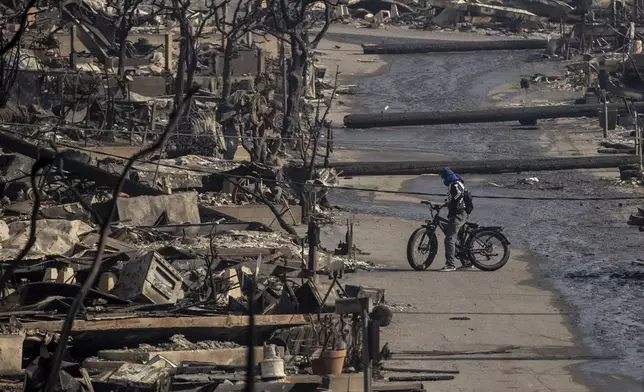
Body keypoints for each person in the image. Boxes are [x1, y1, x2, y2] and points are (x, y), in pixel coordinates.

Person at [439, 167, 473, 272]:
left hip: (458, 214)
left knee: (450, 239)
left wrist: (450, 204)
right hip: (463, 213)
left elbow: (457, 198)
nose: (443, 180)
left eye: (443, 177)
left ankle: (450, 264)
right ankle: (466, 262)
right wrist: (446, 204)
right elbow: (456, 199)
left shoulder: (454, 185)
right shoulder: (457, 182)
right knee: (460, 239)